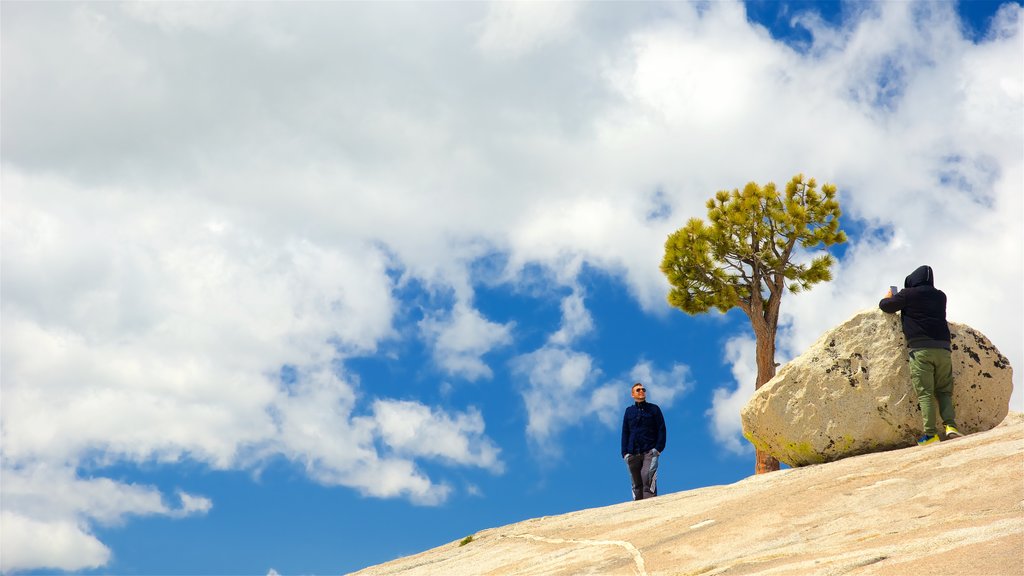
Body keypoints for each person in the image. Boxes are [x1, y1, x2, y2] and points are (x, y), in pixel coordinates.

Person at [879, 264, 962, 446]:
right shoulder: (941, 296)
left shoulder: (908, 294)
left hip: (921, 349)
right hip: (943, 348)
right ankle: (951, 426)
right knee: (944, 390)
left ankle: (931, 434)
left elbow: (886, 306)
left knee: (925, 393)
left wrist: (889, 295)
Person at [621, 382, 666, 500]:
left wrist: (658, 449)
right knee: (636, 484)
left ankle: (650, 507)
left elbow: (661, 429)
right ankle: (637, 509)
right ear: (632, 394)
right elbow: (625, 432)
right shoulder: (629, 411)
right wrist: (624, 453)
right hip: (632, 453)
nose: (641, 391)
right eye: (638, 390)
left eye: (643, 389)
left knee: (647, 477)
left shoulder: (654, 409)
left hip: (649, 451)